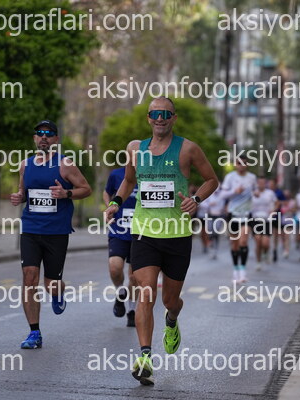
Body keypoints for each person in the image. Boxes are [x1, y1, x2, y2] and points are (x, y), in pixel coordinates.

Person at [104, 97, 218, 385]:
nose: (160, 118)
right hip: (144, 233)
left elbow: (211, 180)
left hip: (177, 235)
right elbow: (129, 181)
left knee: (169, 300)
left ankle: (172, 319)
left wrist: (195, 200)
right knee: (145, 293)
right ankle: (145, 357)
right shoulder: (135, 149)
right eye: (155, 113)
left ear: (174, 118)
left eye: (166, 114)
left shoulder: (188, 149)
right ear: (148, 117)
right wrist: (116, 202)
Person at [10, 120, 91, 349]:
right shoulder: (25, 165)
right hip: (30, 228)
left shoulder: (65, 164)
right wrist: (19, 197)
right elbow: (23, 191)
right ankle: (34, 332)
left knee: (51, 284)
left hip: (56, 231)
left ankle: (58, 292)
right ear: (35, 138)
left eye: (49, 133)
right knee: (29, 277)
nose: (44, 136)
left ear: (56, 139)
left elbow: (86, 189)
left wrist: (66, 193)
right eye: (40, 133)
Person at [103, 167, 138, 327]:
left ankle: (132, 310)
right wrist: (109, 207)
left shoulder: (150, 173)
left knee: (134, 277)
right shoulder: (117, 174)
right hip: (119, 229)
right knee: (115, 268)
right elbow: (106, 192)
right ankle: (120, 292)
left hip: (141, 232)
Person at [220, 156, 257, 283]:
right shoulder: (230, 177)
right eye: (239, 163)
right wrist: (235, 191)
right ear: (235, 164)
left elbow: (255, 191)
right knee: (235, 244)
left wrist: (256, 194)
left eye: (244, 163)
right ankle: (235, 270)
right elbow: (222, 195)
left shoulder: (252, 177)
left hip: (246, 214)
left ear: (247, 164)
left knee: (243, 241)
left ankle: (243, 271)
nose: (241, 165)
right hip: (233, 213)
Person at [250, 178, 278, 270]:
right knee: (258, 241)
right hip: (255, 219)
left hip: (267, 220)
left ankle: (266, 252)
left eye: (263, 182)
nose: (261, 184)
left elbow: (277, 203)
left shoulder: (270, 193)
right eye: (259, 183)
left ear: (265, 183)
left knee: (265, 243)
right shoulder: (252, 193)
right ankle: (258, 262)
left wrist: (273, 210)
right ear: (257, 183)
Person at [268, 179, 286, 262]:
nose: (270, 185)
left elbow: (284, 202)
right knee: (267, 234)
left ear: (275, 184)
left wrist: (278, 203)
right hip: (267, 215)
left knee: (275, 234)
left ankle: (274, 250)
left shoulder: (279, 192)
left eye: (272, 184)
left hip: (276, 215)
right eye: (269, 184)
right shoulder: (267, 192)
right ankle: (266, 249)